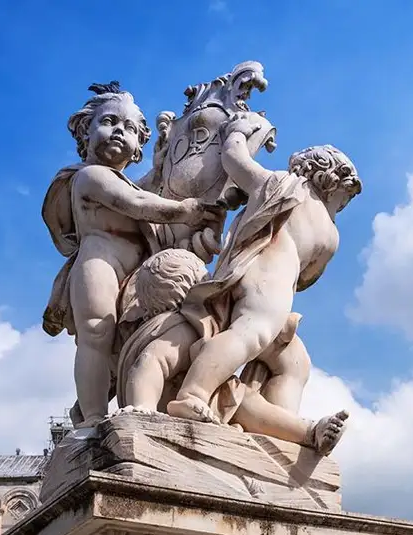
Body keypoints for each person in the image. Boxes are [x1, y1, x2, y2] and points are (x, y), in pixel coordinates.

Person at [41, 82, 222, 428]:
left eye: (129, 129)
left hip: (134, 272)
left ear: (138, 145)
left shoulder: (127, 181)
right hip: (99, 264)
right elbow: (138, 203)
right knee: (96, 334)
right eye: (109, 122)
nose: (118, 132)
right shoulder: (90, 177)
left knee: (123, 342)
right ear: (85, 131)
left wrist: (164, 165)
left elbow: (147, 188)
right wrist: (186, 210)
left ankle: (126, 396)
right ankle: (92, 421)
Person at [166, 113, 362, 426]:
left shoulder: (281, 189)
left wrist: (239, 134)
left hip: (272, 284)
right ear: (330, 179)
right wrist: (239, 131)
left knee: (294, 363)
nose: (342, 207)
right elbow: (309, 277)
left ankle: (279, 429)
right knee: (251, 333)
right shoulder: (292, 193)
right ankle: (194, 393)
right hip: (270, 278)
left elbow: (235, 159)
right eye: (344, 199)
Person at [116, 249, 347, 455]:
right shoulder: (181, 328)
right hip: (180, 410)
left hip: (202, 407)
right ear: (193, 286)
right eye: (207, 279)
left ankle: (308, 432)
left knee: (244, 394)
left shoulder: (192, 327)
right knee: (242, 399)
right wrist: (142, 407)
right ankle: (309, 432)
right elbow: (150, 362)